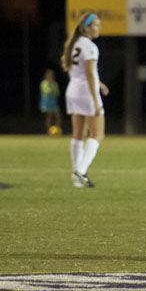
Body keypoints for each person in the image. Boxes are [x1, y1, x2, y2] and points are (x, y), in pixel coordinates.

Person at [61, 11, 110, 188]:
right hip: (86, 92)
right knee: (98, 134)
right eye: (96, 24)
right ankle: (80, 171)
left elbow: (81, 72)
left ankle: (76, 176)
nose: (99, 28)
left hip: (73, 89)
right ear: (87, 27)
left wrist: (100, 84)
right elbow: (89, 73)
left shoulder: (74, 43)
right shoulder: (90, 46)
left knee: (78, 134)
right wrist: (96, 100)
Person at [39, 68, 62, 135]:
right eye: (48, 75)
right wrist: (50, 89)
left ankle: (58, 130)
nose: (50, 76)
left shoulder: (55, 84)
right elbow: (45, 91)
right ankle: (48, 131)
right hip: (47, 102)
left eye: (51, 75)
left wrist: (52, 90)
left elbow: (57, 92)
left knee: (58, 116)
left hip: (54, 102)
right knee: (49, 117)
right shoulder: (43, 83)